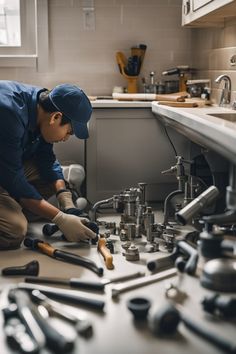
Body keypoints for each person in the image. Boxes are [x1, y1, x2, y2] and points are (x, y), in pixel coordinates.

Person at [0, 80, 96, 250]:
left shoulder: (44, 105)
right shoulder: (8, 113)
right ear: (56, 117)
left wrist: (64, 198)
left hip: (6, 166)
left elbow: (46, 158)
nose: (66, 138)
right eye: (69, 132)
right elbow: (14, 180)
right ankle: (10, 211)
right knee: (15, 230)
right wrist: (60, 218)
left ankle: (10, 206)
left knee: (50, 180)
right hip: (7, 171)